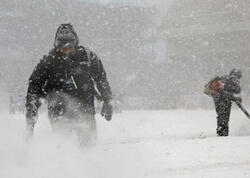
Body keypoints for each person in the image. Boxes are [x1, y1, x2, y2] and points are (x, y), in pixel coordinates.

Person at [25, 23, 113, 145]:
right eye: (63, 48)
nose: (67, 51)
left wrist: (107, 100)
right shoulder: (48, 61)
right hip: (59, 113)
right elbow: (34, 87)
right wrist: (31, 112)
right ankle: (63, 161)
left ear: (75, 43)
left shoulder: (87, 56)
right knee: (62, 147)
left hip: (85, 111)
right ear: (57, 46)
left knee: (88, 148)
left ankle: (89, 161)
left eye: (70, 47)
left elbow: (101, 78)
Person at [204, 69, 242, 136]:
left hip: (217, 97)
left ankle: (221, 131)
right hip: (223, 99)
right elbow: (234, 92)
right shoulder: (233, 80)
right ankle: (222, 133)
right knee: (224, 116)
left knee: (221, 116)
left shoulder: (223, 79)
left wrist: (235, 98)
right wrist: (235, 98)